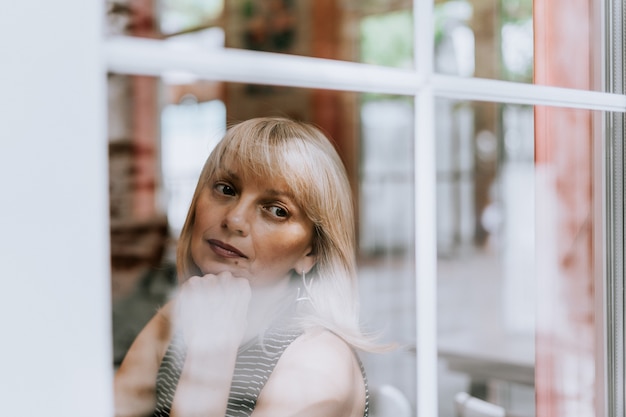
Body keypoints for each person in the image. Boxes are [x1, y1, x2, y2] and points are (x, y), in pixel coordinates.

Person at [114, 117, 376, 417]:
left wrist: (209, 358)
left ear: (311, 252)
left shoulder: (318, 359)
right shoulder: (174, 318)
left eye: (277, 210)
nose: (234, 219)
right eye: (226, 189)